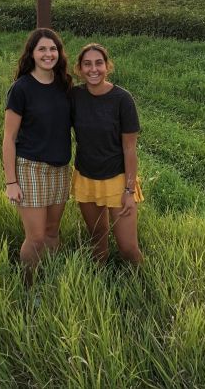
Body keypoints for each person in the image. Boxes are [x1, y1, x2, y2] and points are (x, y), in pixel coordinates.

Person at [3, 28, 72, 281]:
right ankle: (29, 286)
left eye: (53, 48)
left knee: (53, 232)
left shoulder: (64, 83)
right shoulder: (21, 89)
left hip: (61, 168)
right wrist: (11, 182)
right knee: (36, 237)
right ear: (31, 53)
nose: (48, 53)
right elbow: (9, 138)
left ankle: (50, 278)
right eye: (42, 49)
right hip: (31, 168)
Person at [71, 43, 144, 265]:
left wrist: (129, 190)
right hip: (86, 177)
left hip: (118, 179)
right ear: (80, 69)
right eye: (87, 64)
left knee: (128, 248)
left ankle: (143, 286)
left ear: (107, 66)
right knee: (97, 241)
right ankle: (99, 285)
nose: (93, 69)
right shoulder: (74, 96)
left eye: (99, 63)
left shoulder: (122, 99)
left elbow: (129, 148)